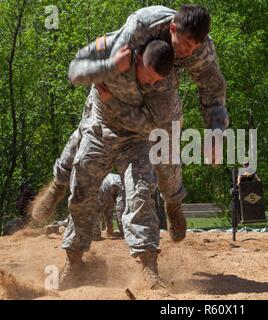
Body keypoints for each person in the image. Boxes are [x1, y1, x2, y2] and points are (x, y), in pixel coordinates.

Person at [30, 5, 229, 290]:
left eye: (193, 46)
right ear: (172, 28)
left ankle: (171, 208)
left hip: (143, 130)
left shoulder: (182, 69)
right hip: (103, 120)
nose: (187, 51)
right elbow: (76, 69)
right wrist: (110, 68)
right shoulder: (134, 33)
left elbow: (212, 91)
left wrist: (216, 132)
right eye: (184, 44)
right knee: (81, 170)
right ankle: (60, 202)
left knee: (152, 178)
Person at [93, 173, 125, 239]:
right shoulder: (123, 185)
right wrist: (123, 230)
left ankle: (109, 231)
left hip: (108, 185)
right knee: (99, 210)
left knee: (108, 212)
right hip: (110, 186)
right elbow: (120, 209)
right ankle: (95, 233)